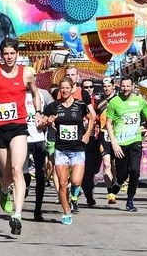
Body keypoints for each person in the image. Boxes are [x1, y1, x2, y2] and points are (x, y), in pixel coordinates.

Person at [0, 37, 42, 235]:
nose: (9, 57)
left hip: (18, 126)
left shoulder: (26, 73)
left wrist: (37, 112)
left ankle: (17, 215)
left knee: (17, 169)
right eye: (6, 54)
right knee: (7, 175)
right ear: (1, 55)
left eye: (12, 53)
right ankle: (3, 190)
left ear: (17, 54)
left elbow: (35, 93)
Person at [43, 78, 96, 224]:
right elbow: (41, 123)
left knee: (76, 181)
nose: (64, 90)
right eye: (62, 88)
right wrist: (47, 122)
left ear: (72, 89)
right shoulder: (54, 106)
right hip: (61, 150)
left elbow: (91, 118)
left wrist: (86, 134)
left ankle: (74, 195)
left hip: (78, 149)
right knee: (62, 183)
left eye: (67, 88)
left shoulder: (80, 105)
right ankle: (67, 212)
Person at [105, 76, 147, 213]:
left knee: (135, 171)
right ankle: (116, 186)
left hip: (135, 141)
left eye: (128, 86)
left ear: (132, 86)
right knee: (122, 174)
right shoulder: (114, 102)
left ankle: (130, 200)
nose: (125, 89)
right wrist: (114, 143)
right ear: (120, 86)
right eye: (123, 86)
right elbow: (108, 123)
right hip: (120, 143)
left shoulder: (139, 101)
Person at [25, 82, 52, 221]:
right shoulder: (18, 92)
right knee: (20, 172)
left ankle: (37, 210)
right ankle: (25, 182)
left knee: (40, 174)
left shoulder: (43, 94)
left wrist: (46, 121)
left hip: (39, 139)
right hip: (22, 138)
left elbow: (53, 110)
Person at [94, 77, 118, 205]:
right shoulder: (99, 101)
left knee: (116, 167)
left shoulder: (119, 100)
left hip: (118, 136)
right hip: (104, 136)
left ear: (113, 86)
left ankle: (115, 186)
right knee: (107, 164)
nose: (107, 88)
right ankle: (110, 193)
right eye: (104, 87)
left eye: (109, 86)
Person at [79, 78, 101, 206]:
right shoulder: (78, 102)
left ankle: (87, 184)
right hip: (83, 139)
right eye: (85, 87)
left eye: (91, 87)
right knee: (86, 170)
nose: (88, 89)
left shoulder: (98, 102)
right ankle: (89, 195)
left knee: (95, 168)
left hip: (96, 139)